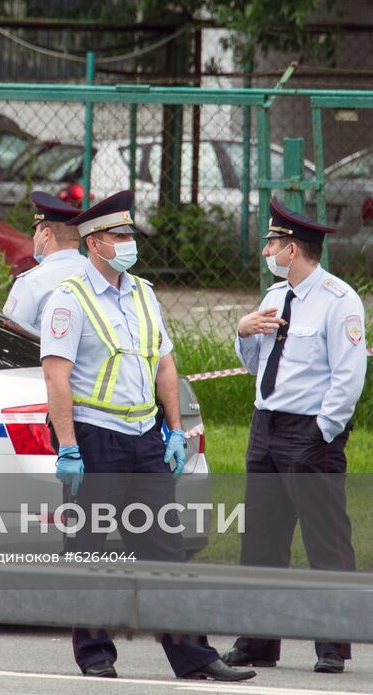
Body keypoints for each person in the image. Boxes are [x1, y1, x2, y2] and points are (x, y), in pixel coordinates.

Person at [40, 190, 254, 683]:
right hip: (96, 437)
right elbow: (56, 377)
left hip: (144, 435)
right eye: (120, 235)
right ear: (95, 244)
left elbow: (164, 363)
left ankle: (194, 657)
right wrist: (69, 447)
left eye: (130, 234)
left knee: (165, 550)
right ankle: (96, 656)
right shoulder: (68, 301)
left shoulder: (142, 292)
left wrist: (175, 430)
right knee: (90, 549)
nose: (129, 242)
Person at [223, 199, 366, 674]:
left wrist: (323, 433)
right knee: (261, 541)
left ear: (294, 248)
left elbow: (348, 379)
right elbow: (256, 365)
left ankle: (331, 644)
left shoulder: (339, 301)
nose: (267, 251)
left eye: (273, 243)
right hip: (266, 428)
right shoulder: (273, 295)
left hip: (310, 432)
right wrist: (243, 332)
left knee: (325, 541)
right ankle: (258, 640)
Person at [2, 191, 88, 336]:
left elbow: (10, 335)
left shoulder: (32, 281)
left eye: (36, 231)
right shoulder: (96, 273)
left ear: (46, 235)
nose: (34, 237)